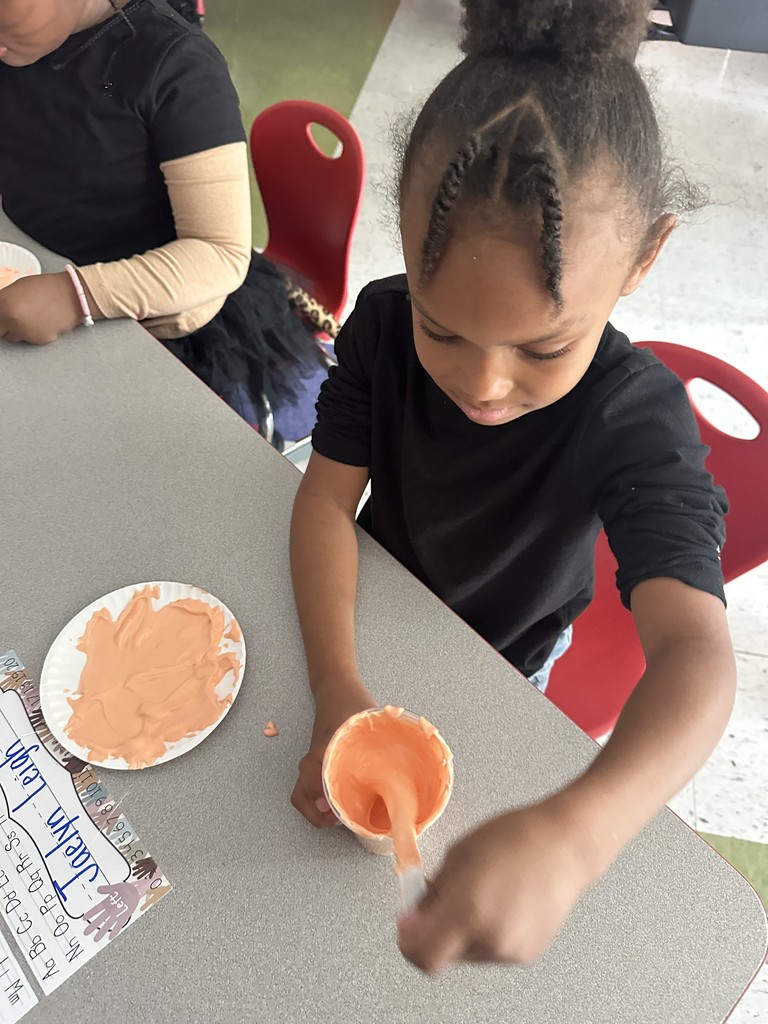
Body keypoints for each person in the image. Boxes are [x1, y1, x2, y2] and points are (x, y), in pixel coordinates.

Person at [289, 0, 735, 973]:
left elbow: (699, 663)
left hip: (512, 652)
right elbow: (325, 501)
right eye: (442, 328)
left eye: (542, 345)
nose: (483, 383)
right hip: (379, 593)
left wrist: (576, 835)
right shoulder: (376, 323)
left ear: (644, 259)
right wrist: (335, 682)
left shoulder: (635, 416)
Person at [0, 0, 322, 442]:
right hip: (39, 268)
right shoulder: (20, 40)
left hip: (154, 308)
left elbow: (218, 253)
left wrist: (75, 297)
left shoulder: (176, 67)